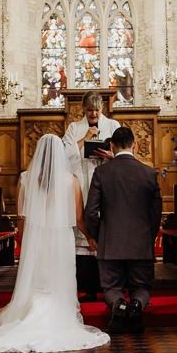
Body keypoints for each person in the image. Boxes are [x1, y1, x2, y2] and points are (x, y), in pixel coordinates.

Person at [0, 134, 110, 353]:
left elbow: (22, 217)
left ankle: (30, 311)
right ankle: (58, 312)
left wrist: (23, 242)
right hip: (61, 238)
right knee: (57, 278)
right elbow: (79, 218)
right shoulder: (71, 180)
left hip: (37, 238)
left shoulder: (26, 178)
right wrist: (91, 238)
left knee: (36, 277)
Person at [85, 127, 163, 334]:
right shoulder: (149, 173)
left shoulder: (101, 172)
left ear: (111, 146)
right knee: (142, 286)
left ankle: (119, 306)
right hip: (140, 242)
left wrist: (97, 235)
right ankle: (137, 305)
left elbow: (91, 211)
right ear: (134, 144)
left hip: (110, 243)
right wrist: (149, 236)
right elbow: (156, 213)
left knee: (111, 287)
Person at [63, 91, 121, 301]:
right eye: (89, 110)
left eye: (96, 110)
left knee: (108, 229)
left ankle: (110, 285)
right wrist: (84, 139)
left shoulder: (114, 127)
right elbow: (63, 155)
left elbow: (125, 154)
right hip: (83, 183)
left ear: (102, 109)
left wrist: (110, 155)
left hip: (108, 184)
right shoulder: (74, 128)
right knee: (84, 233)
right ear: (83, 109)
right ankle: (88, 287)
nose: (93, 113)